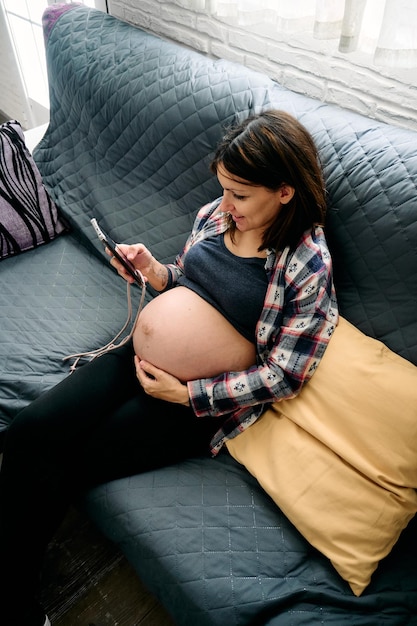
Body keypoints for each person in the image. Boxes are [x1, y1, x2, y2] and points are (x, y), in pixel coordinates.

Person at [0, 109, 338, 626]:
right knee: (28, 431)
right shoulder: (218, 216)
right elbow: (188, 284)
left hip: (192, 407)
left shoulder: (307, 263)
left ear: (285, 191)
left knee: (64, 465)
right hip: (134, 358)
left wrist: (189, 398)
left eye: (241, 195)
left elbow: (286, 374)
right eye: (223, 190)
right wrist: (155, 271)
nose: (226, 206)